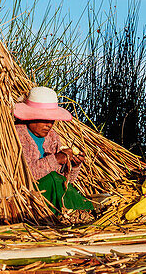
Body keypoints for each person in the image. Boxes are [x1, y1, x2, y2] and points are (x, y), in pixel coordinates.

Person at [13, 86, 95, 219]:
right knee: (52, 178)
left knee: (56, 179)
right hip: (28, 196)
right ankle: (82, 212)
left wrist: (73, 165)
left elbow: (65, 182)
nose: (49, 125)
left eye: (51, 120)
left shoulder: (53, 137)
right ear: (30, 116)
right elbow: (23, 175)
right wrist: (55, 159)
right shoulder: (17, 135)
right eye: (44, 119)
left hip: (52, 197)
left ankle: (81, 214)